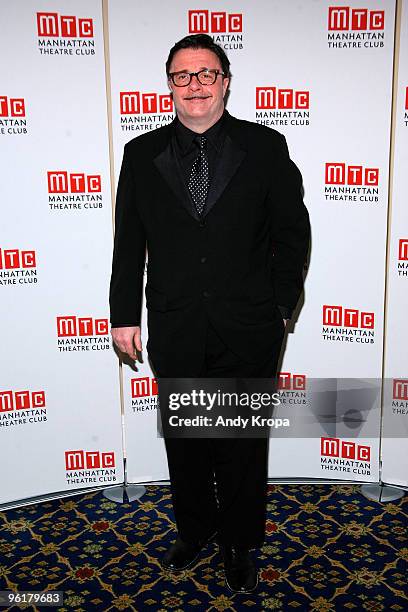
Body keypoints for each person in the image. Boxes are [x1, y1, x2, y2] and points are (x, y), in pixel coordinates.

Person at [109, 34, 310, 593]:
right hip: (175, 323)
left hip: (250, 323)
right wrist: (123, 313)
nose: (194, 84)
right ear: (169, 85)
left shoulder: (265, 146)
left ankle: (241, 541)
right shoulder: (141, 153)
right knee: (188, 441)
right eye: (182, 75)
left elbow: (293, 234)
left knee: (242, 444)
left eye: (206, 73)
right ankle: (195, 531)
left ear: (225, 81)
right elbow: (129, 242)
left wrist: (278, 307)